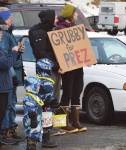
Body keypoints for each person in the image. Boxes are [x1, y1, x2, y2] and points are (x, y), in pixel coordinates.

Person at [28, 9, 61, 148]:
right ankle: (45, 136)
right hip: (47, 73)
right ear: (49, 18)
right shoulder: (38, 33)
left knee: (51, 104)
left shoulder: (49, 30)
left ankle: (47, 133)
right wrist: (56, 66)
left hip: (53, 71)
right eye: (55, 17)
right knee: (47, 104)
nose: (57, 19)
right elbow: (42, 54)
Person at [56, 4, 87, 133]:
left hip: (78, 66)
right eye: (75, 14)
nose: (77, 15)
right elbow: (58, 50)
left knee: (77, 92)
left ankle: (75, 122)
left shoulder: (75, 28)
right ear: (70, 15)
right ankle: (61, 124)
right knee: (66, 93)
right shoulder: (59, 29)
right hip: (67, 67)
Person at [23, 58, 58, 150]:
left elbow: (48, 96)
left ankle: (46, 139)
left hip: (44, 106)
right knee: (34, 124)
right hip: (36, 107)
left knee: (47, 119)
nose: (49, 72)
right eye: (48, 70)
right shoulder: (35, 82)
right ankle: (31, 143)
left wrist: (52, 101)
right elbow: (33, 97)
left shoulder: (48, 82)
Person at [0, 7, 24, 142]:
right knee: (6, 104)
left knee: (11, 103)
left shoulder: (9, 33)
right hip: (8, 75)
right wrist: (15, 51)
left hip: (13, 74)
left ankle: (10, 128)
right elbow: (4, 58)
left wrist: (18, 51)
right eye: (8, 17)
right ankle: (5, 131)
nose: (12, 19)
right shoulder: (3, 35)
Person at [0, 39, 22, 146]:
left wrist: (17, 52)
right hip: (2, 86)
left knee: (3, 110)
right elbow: (5, 64)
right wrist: (13, 52)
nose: (1, 36)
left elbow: (8, 61)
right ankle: (3, 135)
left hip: (5, 85)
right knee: (2, 111)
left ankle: (3, 136)